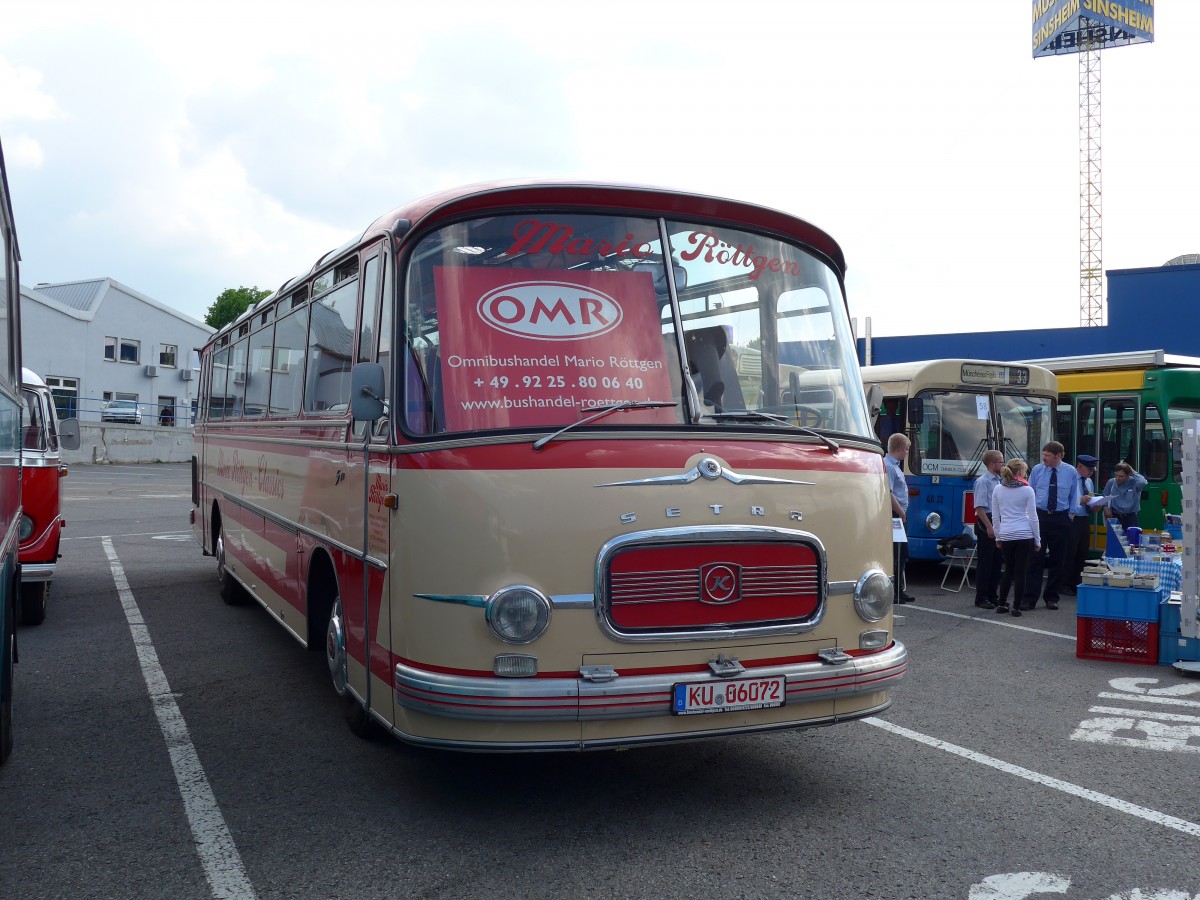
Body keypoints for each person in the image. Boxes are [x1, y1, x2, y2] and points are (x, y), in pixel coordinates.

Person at [1023, 440, 1081, 611]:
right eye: (1043, 454)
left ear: (1058, 456)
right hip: (1040, 517)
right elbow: (1030, 491)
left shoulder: (1070, 471)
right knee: (1035, 558)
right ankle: (1029, 598)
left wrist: (1069, 516)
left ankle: (1051, 597)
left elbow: (1074, 495)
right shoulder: (1038, 470)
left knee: (1058, 560)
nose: (1044, 458)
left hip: (1060, 518)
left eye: (1047, 455)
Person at [993, 458, 1041, 618]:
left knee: (1008, 571)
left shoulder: (998, 489)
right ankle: (1017, 607)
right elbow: (1033, 517)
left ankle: (1001, 603)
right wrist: (1038, 539)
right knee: (1021, 572)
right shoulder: (1028, 490)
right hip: (1024, 534)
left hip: (1006, 534)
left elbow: (995, 517)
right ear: (1020, 472)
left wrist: (998, 537)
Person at [971, 449, 1005, 609]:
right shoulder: (983, 481)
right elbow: (979, 507)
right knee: (985, 563)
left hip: (999, 520)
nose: (1003, 464)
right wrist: (989, 527)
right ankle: (981, 597)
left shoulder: (1000, 480)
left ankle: (993, 595)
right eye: (1001, 461)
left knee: (997, 563)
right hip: (987, 522)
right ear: (992, 464)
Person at [885, 432, 915, 603]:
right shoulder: (889, 466)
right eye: (907, 450)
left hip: (898, 515)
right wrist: (901, 512)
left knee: (901, 554)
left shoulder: (894, 465)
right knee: (898, 553)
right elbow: (889, 493)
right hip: (895, 515)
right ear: (900, 449)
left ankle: (898, 590)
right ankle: (895, 591)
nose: (907, 453)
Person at [1063, 454, 1098, 595]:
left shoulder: (1088, 481)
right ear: (1080, 467)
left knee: (1082, 552)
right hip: (1072, 518)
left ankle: (1076, 582)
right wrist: (1080, 501)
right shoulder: (1071, 479)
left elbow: (1090, 497)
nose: (1091, 473)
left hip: (1084, 519)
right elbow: (1065, 500)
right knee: (1069, 552)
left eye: (1093, 470)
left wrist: (1095, 505)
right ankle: (1064, 583)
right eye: (1089, 470)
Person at [1102, 462, 1148, 530]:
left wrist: (1132, 471)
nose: (1117, 478)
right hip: (1115, 516)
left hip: (1130, 517)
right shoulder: (1111, 482)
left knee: (1133, 538)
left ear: (1128, 475)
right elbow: (1104, 497)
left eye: (1121, 476)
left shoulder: (1134, 483)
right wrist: (1106, 509)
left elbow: (1143, 482)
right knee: (1114, 539)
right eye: (1116, 475)